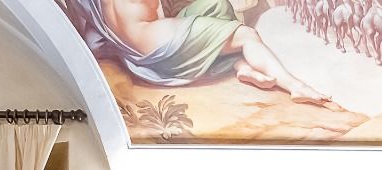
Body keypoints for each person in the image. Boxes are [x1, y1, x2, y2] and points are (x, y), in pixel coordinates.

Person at [66, 0, 337, 108]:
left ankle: (242, 66)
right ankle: (295, 86)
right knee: (245, 36)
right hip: (158, 42)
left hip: (140, 41)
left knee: (216, 5)